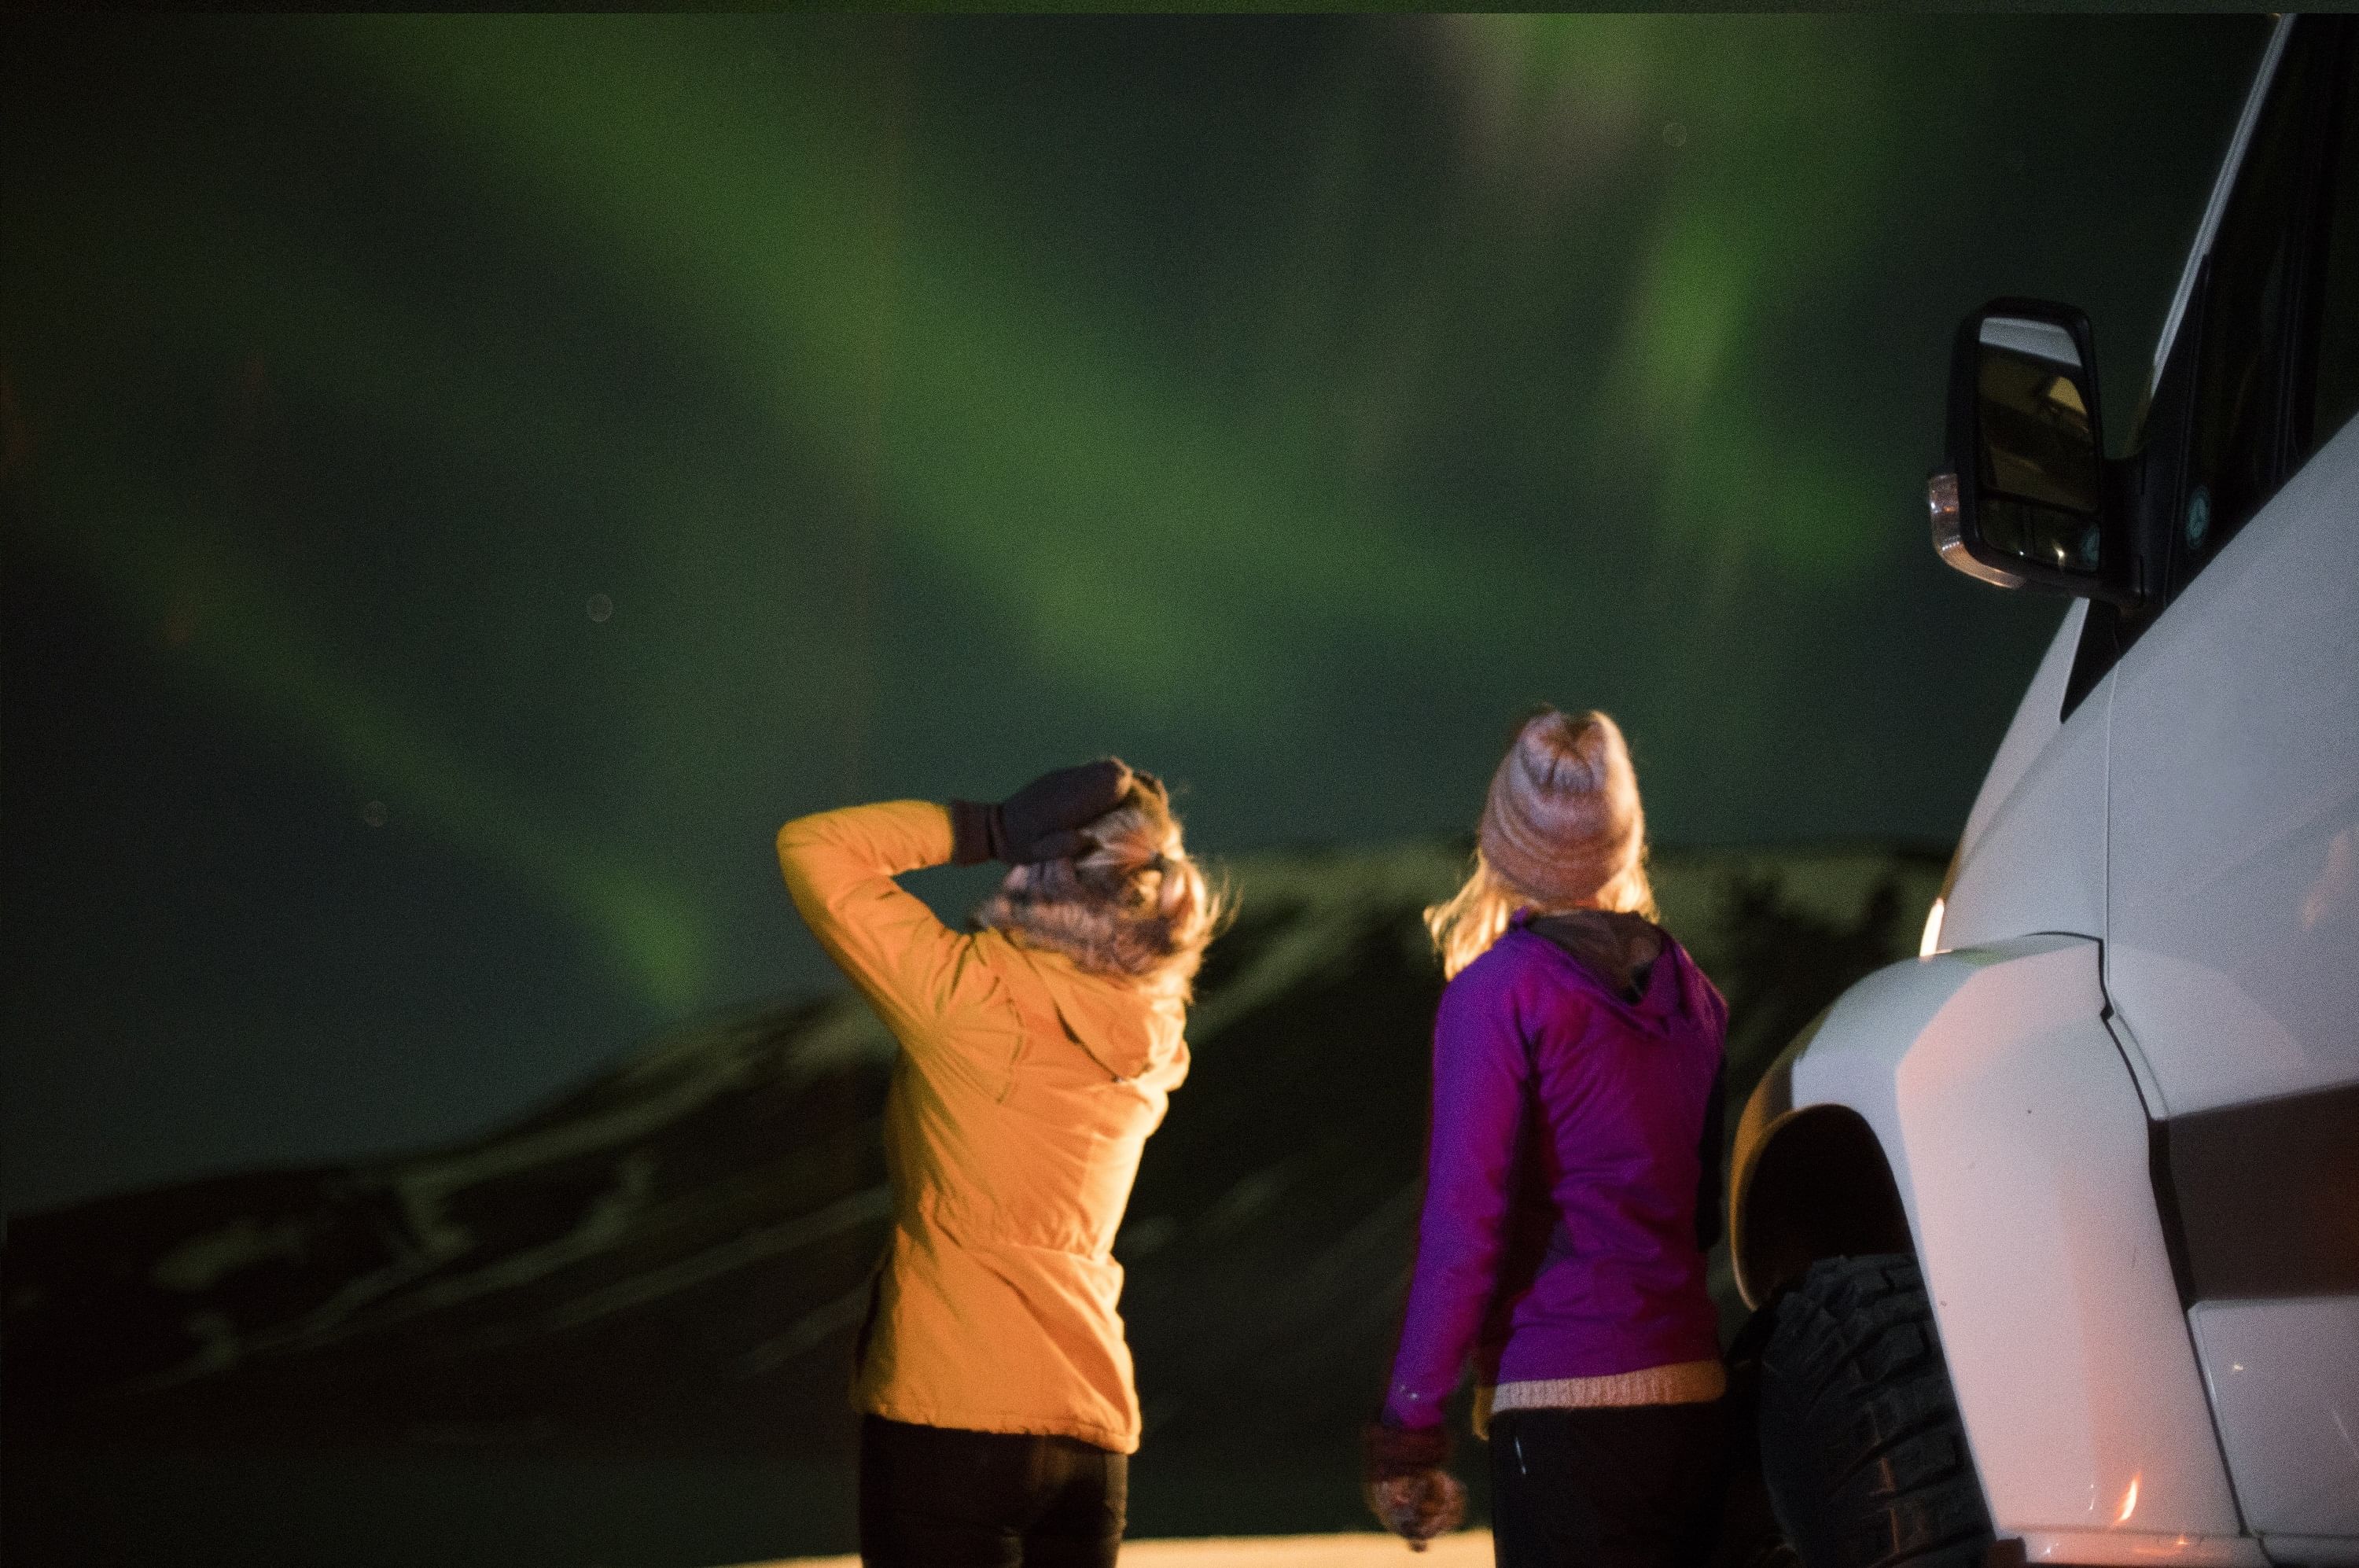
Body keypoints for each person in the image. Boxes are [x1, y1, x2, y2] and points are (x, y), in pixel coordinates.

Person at [776, 760, 1222, 1568]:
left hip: (951, 1419)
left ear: (1037, 872)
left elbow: (814, 846)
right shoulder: (1156, 1037)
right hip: (1090, 1432)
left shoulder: (971, 997)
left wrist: (986, 827)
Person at [1365, 709, 1729, 1567]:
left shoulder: (1498, 994)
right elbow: (1701, 1217)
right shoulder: (1695, 994)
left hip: (1565, 1410)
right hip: (1693, 1401)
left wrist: (1410, 1423)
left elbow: (1464, 1232)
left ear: (1503, 842)